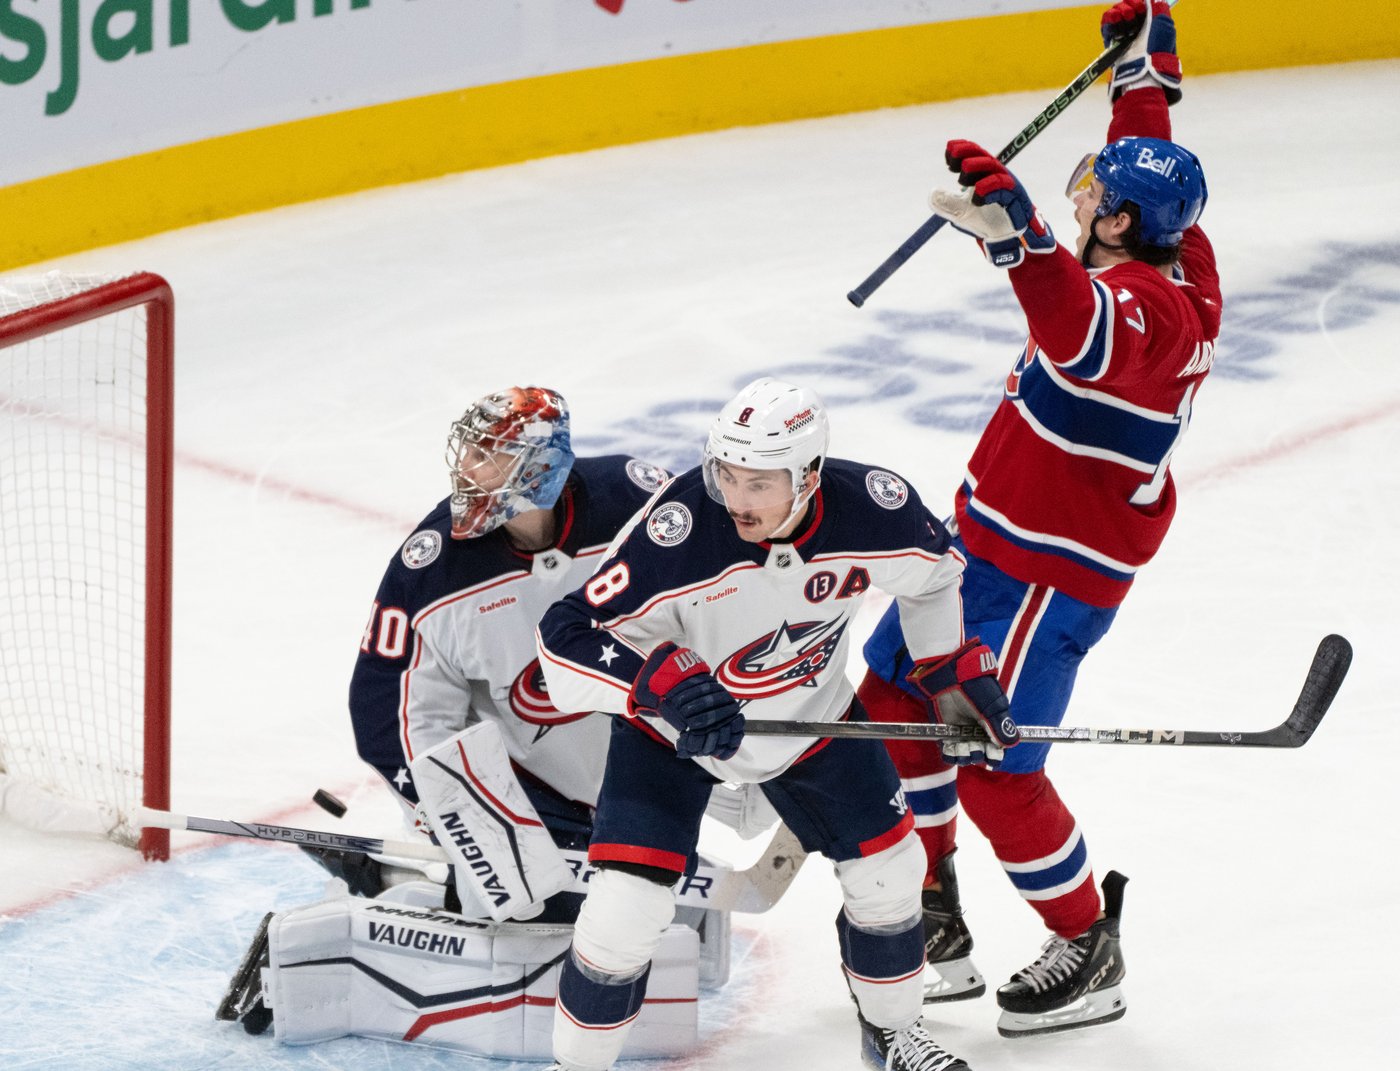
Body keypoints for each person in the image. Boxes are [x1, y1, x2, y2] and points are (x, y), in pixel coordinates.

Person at [858, 0, 1219, 1039]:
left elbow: (1072, 327)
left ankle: (1082, 941)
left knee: (996, 776)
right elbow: (1144, 150)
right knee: (888, 693)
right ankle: (934, 918)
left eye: (1093, 198)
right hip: (981, 540)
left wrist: (1020, 242)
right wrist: (1145, 58)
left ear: (1113, 227)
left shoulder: (1150, 317)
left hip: (1042, 575)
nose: (1086, 196)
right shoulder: (1170, 247)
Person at [215, 387, 764, 1058]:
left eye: (487, 456)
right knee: (541, 929)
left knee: (647, 927)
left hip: (641, 760)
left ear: (539, 471)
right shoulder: (432, 565)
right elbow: (387, 710)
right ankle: (399, 889)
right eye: (470, 451)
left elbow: (727, 599)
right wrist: (463, 816)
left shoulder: (639, 502)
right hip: (525, 790)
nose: (466, 470)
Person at [535, 377, 1013, 1071]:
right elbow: (565, 635)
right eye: (726, 473)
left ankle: (893, 1034)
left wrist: (949, 675)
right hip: (675, 734)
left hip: (810, 717)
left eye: (759, 482)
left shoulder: (875, 511)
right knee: (623, 910)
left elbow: (936, 578)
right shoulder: (679, 531)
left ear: (809, 476)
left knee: (891, 872)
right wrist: (657, 683)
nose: (735, 497)